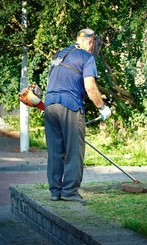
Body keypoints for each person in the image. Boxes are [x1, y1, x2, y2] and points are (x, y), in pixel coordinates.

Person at [44, 28, 111, 204]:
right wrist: (102, 107)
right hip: (70, 106)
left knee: (55, 150)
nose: (93, 48)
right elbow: (90, 87)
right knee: (74, 150)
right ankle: (70, 191)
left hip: (50, 104)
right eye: (93, 44)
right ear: (90, 42)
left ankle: (55, 191)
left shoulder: (60, 54)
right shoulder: (86, 57)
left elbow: (52, 80)